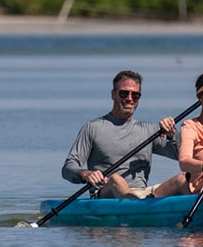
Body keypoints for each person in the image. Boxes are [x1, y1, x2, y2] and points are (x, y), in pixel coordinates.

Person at [62, 70, 191, 199]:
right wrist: (85, 174)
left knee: (182, 179)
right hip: (106, 195)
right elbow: (68, 168)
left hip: (141, 194)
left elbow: (183, 157)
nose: (129, 99)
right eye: (124, 93)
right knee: (116, 180)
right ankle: (140, 209)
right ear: (113, 94)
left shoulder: (149, 130)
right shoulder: (92, 127)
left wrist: (172, 134)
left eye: (135, 95)